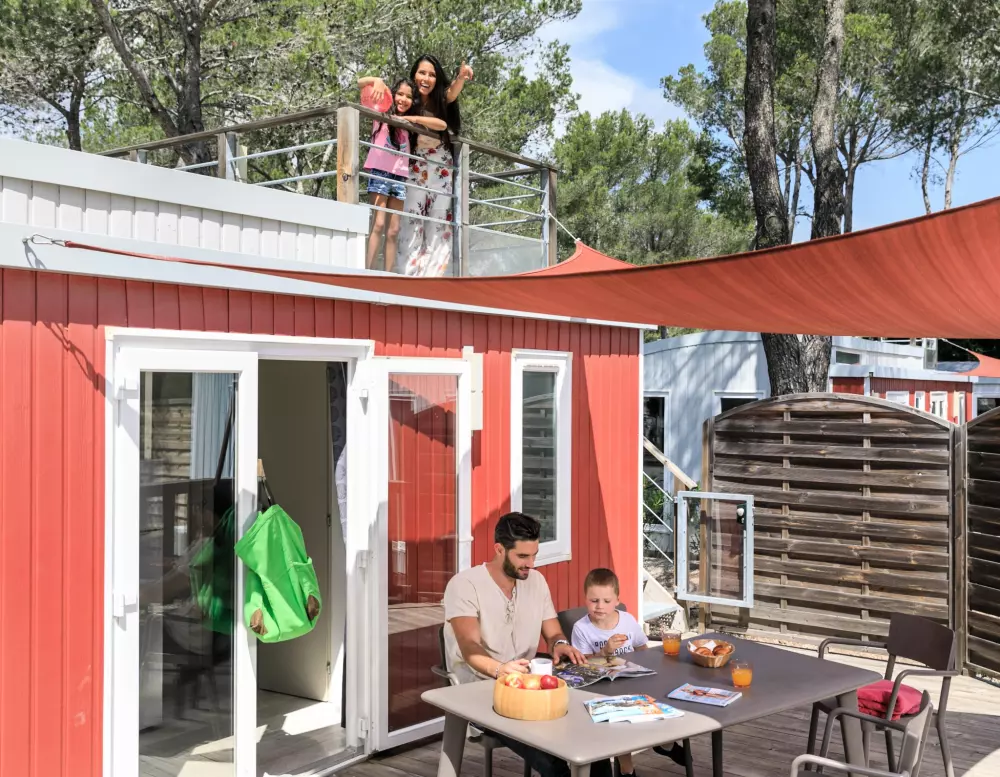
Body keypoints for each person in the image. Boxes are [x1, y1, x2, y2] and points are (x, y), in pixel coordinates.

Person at [443, 512, 611, 777]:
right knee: (553, 761)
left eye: (534, 555)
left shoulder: (536, 581)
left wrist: (560, 644)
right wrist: (500, 669)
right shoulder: (465, 585)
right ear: (499, 549)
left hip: (533, 688)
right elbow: (469, 646)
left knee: (595, 742)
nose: (531, 564)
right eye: (522, 556)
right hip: (483, 693)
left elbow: (554, 632)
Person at [570, 568, 689, 775]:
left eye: (606, 601)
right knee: (619, 718)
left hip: (632, 681)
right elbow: (582, 666)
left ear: (617, 600)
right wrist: (604, 652)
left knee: (663, 695)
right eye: (594, 600)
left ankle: (665, 743)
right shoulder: (582, 628)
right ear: (585, 599)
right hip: (601, 688)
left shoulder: (627, 620)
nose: (600, 606)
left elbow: (642, 649)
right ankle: (627, 769)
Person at [366, 55, 472, 276]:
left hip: (440, 164)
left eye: (432, 74)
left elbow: (451, 95)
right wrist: (377, 81)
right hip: (413, 163)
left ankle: (434, 276)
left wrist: (461, 77)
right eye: (422, 73)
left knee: (438, 218)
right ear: (414, 74)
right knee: (412, 217)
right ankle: (408, 274)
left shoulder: (440, 99)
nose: (426, 78)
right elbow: (382, 99)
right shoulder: (407, 98)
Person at [357, 76, 446, 270]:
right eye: (399, 94)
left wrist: (410, 120)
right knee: (378, 224)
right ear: (392, 95)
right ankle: (368, 271)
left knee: (393, 230)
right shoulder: (381, 113)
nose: (403, 99)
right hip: (380, 173)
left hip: (399, 177)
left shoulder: (409, 124)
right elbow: (360, 82)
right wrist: (378, 81)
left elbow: (442, 125)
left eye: (408, 96)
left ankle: (388, 275)